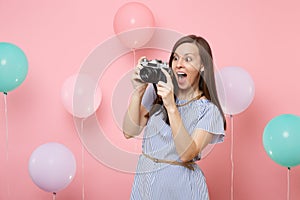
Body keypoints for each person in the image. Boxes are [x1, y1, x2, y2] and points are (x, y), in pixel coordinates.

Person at [122, 35, 226, 200]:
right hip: (146, 184)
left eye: (188, 59)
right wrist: (138, 92)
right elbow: (129, 131)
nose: (179, 64)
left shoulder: (209, 111)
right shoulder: (157, 92)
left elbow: (187, 154)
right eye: (175, 58)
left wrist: (171, 105)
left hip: (182, 188)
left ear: (202, 66)